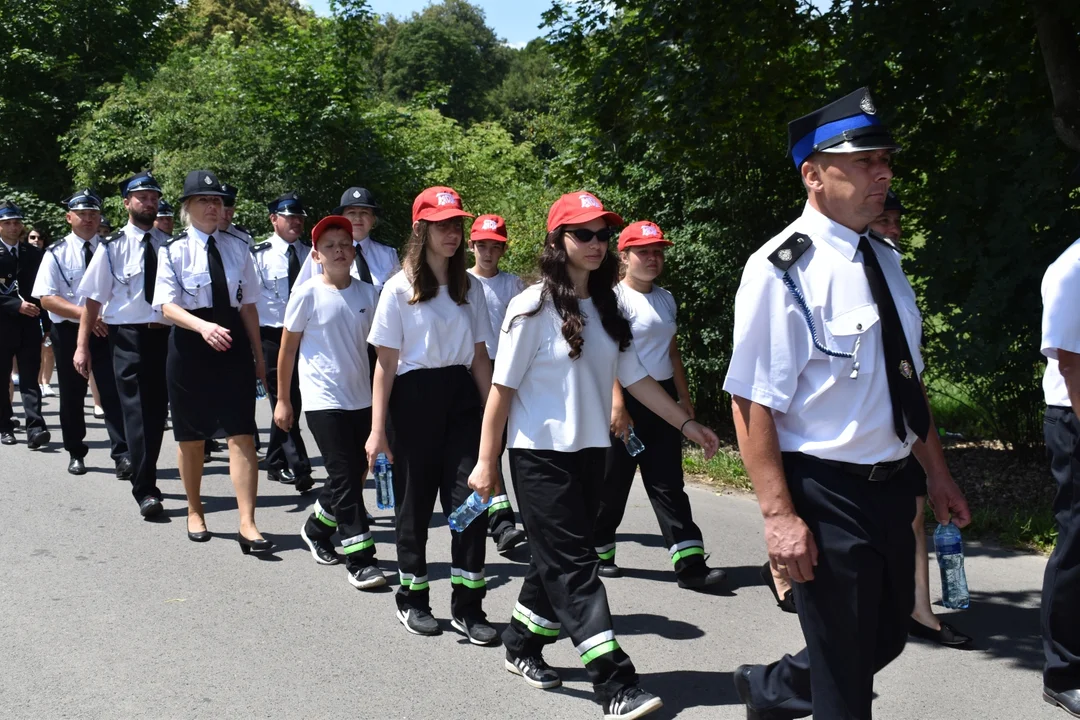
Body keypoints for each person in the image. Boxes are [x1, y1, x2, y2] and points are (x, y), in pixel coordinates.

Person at [725, 88, 972, 720]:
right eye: (862, 161)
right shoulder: (780, 270)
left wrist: (937, 471)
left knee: (884, 636)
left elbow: (904, 378)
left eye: (883, 158)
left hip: (894, 485)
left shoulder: (884, 258)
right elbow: (752, 401)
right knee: (844, 676)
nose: (881, 171)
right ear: (812, 175)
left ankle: (772, 688)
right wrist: (779, 518)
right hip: (825, 490)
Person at [467, 191, 720, 720]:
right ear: (558, 241)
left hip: (591, 456)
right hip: (539, 458)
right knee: (578, 567)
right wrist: (487, 463)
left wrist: (686, 422)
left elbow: (636, 378)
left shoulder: (608, 306)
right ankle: (614, 682)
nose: (596, 243)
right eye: (583, 233)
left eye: (603, 234)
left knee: (555, 561)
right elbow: (501, 391)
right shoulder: (530, 306)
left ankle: (520, 643)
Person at [365, 186, 496, 644]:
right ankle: (413, 597)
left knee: (470, 505)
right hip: (413, 399)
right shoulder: (398, 288)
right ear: (421, 230)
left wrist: (495, 418)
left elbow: (480, 356)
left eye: (457, 224)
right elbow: (385, 364)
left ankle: (468, 605)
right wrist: (377, 431)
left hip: (462, 399)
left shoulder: (470, 288)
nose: (453, 234)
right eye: (442, 225)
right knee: (414, 507)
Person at [595, 220, 726, 590]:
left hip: (662, 397)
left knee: (668, 482)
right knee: (612, 484)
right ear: (624, 256)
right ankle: (599, 549)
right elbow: (608, 357)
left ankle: (690, 565)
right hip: (623, 397)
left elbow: (671, 350)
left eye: (658, 251)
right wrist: (617, 404)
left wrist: (682, 398)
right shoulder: (612, 299)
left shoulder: (665, 298)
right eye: (644, 251)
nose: (653, 258)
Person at [869, 189, 972, 647]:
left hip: (902, 420)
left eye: (897, 221)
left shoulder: (894, 269)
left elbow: (910, 371)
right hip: (854, 435)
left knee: (912, 517)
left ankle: (919, 611)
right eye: (884, 220)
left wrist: (938, 470)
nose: (893, 229)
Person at [152, 169, 270, 553]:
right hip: (190, 344)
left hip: (232, 341)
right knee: (191, 438)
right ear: (187, 207)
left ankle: (247, 521)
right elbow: (166, 305)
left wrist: (258, 355)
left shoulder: (240, 246)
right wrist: (201, 327)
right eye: (204, 200)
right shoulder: (172, 250)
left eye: (217, 200)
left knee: (243, 434)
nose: (212, 206)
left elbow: (249, 305)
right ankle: (195, 509)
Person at [274, 215, 385, 589]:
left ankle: (315, 527)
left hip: (362, 398)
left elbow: (381, 353)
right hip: (323, 400)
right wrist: (283, 400)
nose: (338, 251)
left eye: (345, 244)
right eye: (329, 246)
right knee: (345, 477)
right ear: (317, 255)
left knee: (354, 473)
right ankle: (360, 560)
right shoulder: (306, 293)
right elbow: (287, 352)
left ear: (354, 251)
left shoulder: (371, 295)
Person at [74, 171, 172, 520]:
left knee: (157, 414)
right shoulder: (111, 248)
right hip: (128, 337)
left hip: (166, 335)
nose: (148, 202)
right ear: (127, 203)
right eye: (141, 197)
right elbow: (92, 301)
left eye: (153, 197)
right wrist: (81, 346)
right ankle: (146, 490)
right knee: (139, 413)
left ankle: (146, 474)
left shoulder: (170, 246)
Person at [31, 189, 129, 477]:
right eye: (82, 214)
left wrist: (100, 318)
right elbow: (47, 298)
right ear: (69, 217)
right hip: (68, 332)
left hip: (108, 331)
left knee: (113, 393)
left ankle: (122, 454)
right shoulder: (56, 253)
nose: (88, 219)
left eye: (93, 214)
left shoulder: (113, 249)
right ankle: (76, 451)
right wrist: (87, 316)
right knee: (73, 395)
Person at [466, 213, 527, 554]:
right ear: (471, 246)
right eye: (482, 246)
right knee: (483, 446)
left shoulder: (515, 285)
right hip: (472, 368)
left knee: (499, 444)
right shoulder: (461, 282)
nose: (488, 253)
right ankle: (501, 522)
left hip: (507, 370)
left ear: (503, 250)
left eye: (495, 247)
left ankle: (499, 518)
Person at [1039, 231, 1080, 716]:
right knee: (1076, 543)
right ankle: (1063, 672)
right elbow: (1071, 362)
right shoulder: (1072, 267)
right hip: (1073, 416)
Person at [252, 191, 313, 490]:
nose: (296, 222)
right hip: (272, 335)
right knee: (285, 399)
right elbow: (248, 301)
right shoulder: (258, 255)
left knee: (295, 398)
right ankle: (300, 466)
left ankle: (275, 461)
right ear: (274, 219)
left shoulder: (312, 254)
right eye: (290, 217)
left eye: (300, 217)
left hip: (306, 334)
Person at [0, 200, 50, 450]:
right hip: (3, 324)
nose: (12, 227)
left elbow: (45, 291)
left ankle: (35, 427)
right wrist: (14, 305)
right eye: (7, 223)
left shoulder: (35, 253)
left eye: (16, 222)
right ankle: (5, 425)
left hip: (30, 324)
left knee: (31, 377)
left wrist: (47, 323)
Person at [295, 186, 400, 292]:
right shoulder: (323, 251)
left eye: (364, 212)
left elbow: (398, 294)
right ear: (342, 217)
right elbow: (302, 291)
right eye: (351, 212)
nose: (358, 218)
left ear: (373, 219)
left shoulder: (388, 254)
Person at [26, 227, 56, 397]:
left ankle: (46, 382)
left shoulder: (49, 256)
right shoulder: (23, 256)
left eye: (39, 238)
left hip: (47, 305)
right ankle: (37, 381)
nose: (36, 240)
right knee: (35, 349)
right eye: (32, 237)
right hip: (29, 306)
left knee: (48, 345)